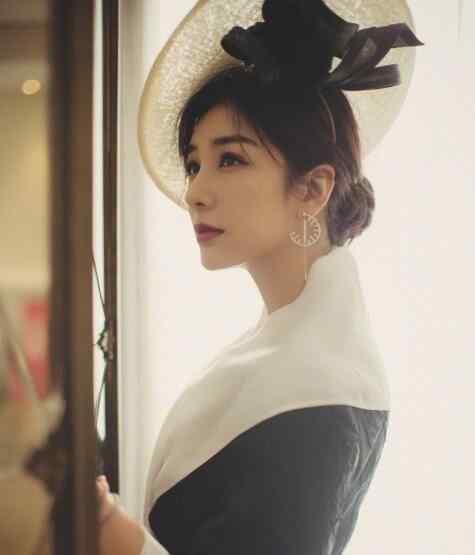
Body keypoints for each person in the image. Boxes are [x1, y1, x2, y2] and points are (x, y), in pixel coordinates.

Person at [97, 1, 423, 554]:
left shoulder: (313, 386)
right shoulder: (293, 353)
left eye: (230, 160)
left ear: (313, 188)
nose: (195, 192)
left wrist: (115, 535)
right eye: (194, 164)